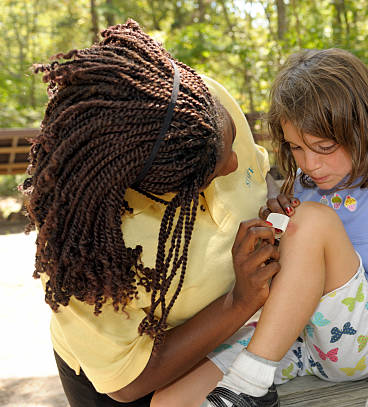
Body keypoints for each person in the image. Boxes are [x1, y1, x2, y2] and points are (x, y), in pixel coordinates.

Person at [151, 48, 368, 407]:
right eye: (296, 148)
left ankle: (249, 384)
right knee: (169, 399)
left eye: (324, 147)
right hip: (292, 341)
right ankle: (252, 380)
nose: (310, 164)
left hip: (363, 343)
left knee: (314, 219)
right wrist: (277, 226)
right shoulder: (300, 185)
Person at [21, 19, 283, 406]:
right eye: (210, 170)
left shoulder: (200, 108)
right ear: (152, 184)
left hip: (230, 348)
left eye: (228, 142)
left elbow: (258, 169)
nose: (232, 164)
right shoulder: (87, 249)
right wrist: (239, 303)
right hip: (140, 384)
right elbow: (126, 383)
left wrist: (275, 192)